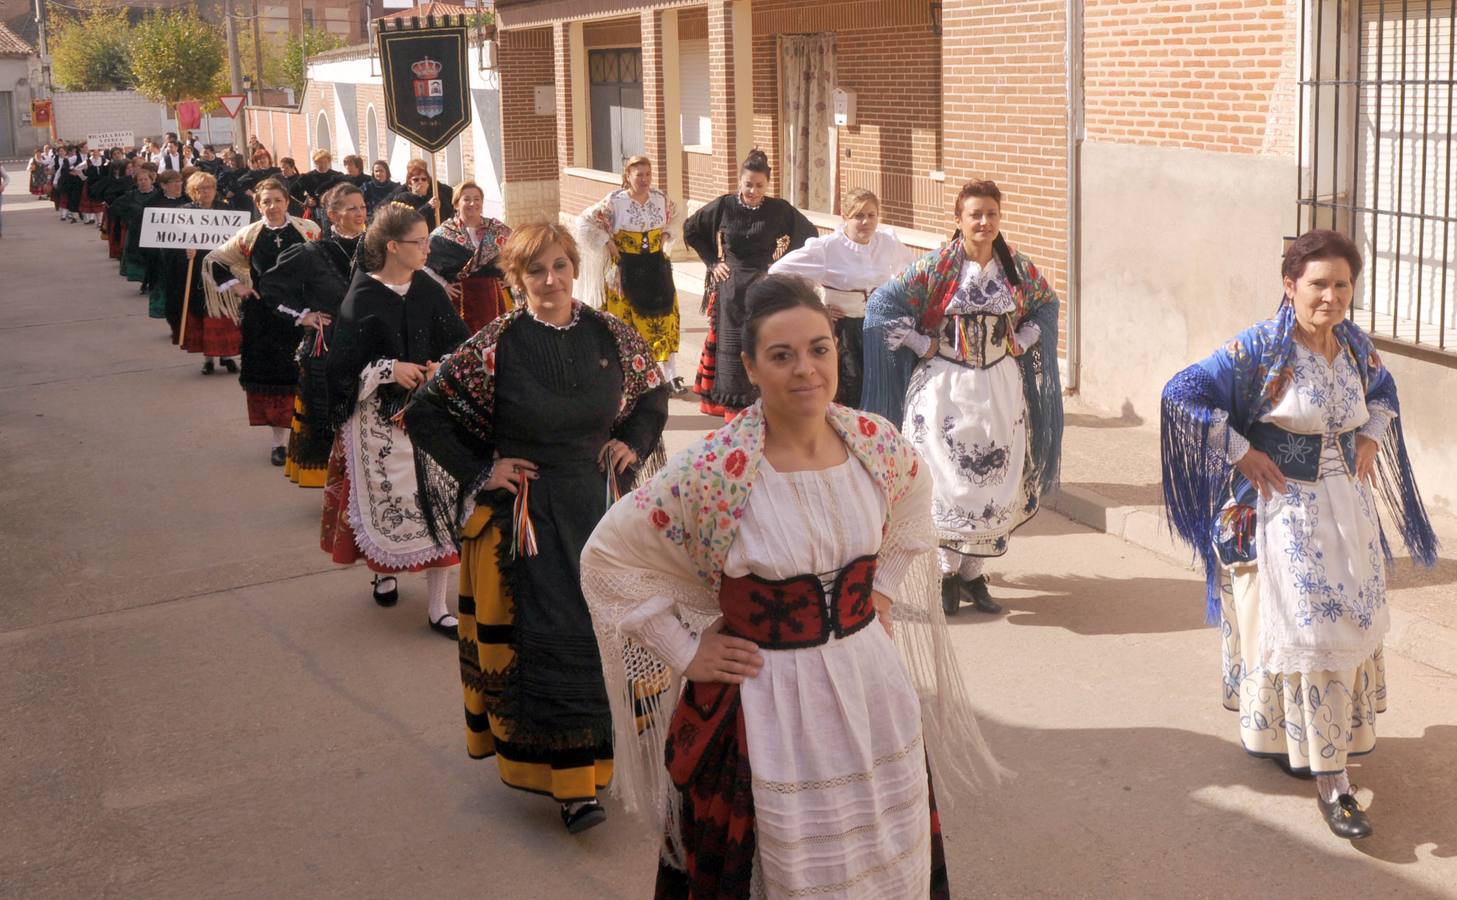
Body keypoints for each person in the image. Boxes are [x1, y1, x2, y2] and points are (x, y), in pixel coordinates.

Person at [580, 275, 1002, 895]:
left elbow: (915, 500)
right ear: (749, 366)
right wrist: (686, 652)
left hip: (871, 691)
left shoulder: (873, 442)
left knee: (883, 853)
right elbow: (607, 559)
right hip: (768, 704)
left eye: (819, 348)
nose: (806, 369)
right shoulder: (714, 469)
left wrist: (880, 590)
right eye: (782, 355)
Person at [1161, 229, 1437, 841]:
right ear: (1290, 285)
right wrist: (1238, 452)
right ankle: (1334, 784)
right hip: (1283, 515)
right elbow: (1182, 395)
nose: (1331, 296)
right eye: (1317, 284)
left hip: (1349, 514)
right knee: (1310, 634)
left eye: (1342, 285)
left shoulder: (1358, 347)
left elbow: (1384, 393)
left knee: (1347, 628)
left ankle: (1310, 743)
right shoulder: (1260, 347)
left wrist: (1371, 434)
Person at [405, 222, 669, 834]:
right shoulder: (496, 343)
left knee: (618, 636)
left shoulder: (612, 334)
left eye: (560, 266)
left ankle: (616, 760)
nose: (550, 281)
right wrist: (483, 470)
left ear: (575, 268)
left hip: (604, 514)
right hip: (529, 523)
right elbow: (426, 412)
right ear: (514, 280)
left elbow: (654, 392)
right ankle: (574, 789)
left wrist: (632, 441)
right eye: (535, 271)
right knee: (558, 641)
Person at [863, 179, 1064, 617]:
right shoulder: (936, 268)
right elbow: (882, 305)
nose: (984, 222)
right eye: (975, 214)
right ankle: (946, 575)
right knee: (947, 479)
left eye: (991, 213)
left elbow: (1047, 303)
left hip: (1000, 388)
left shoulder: (1017, 270)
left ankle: (974, 575)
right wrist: (920, 343)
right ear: (958, 220)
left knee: (989, 481)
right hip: (945, 388)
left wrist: (1027, 335)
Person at [319, 204, 468, 635]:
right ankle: (383, 570)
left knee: (438, 504)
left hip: (428, 414)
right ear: (391, 247)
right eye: (418, 242)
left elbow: (458, 341)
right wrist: (388, 369)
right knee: (390, 503)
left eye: (427, 241)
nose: (427, 249)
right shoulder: (362, 296)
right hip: (378, 421)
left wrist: (441, 365)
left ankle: (438, 605)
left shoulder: (428, 290)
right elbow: (342, 370)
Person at [683, 148, 817, 417]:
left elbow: (809, 234)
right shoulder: (724, 205)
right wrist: (713, 262)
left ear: (767, 184)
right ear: (739, 182)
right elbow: (692, 229)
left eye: (759, 185)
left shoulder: (778, 209)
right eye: (748, 184)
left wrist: (781, 266)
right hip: (730, 286)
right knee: (732, 347)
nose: (753, 190)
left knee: (762, 342)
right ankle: (732, 409)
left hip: (763, 286)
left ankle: (764, 402)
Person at [204, 178, 322, 465]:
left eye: (277, 200)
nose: (272, 207)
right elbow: (214, 260)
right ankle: (278, 443)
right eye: (266, 202)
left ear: (287, 202)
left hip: (304, 314)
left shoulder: (308, 231)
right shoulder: (249, 235)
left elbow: (325, 266)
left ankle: (307, 439)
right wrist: (237, 286)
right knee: (275, 381)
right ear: (258, 205)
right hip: (264, 320)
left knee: (306, 379)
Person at [258, 183, 367, 488]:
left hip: (370, 346)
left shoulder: (377, 248)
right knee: (328, 417)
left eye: (362, 207)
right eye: (352, 208)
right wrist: (303, 315)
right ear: (332, 214)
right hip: (327, 347)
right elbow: (270, 286)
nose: (360, 214)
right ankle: (336, 485)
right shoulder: (311, 252)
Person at [769, 188, 915, 407]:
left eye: (871, 215)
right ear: (844, 216)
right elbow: (778, 272)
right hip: (845, 330)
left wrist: (897, 301)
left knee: (882, 390)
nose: (866, 221)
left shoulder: (887, 242)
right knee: (849, 389)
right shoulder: (827, 248)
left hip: (879, 327)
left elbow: (912, 273)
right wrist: (817, 305)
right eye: (858, 215)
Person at [576, 155, 687, 393]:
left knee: (665, 320)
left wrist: (667, 234)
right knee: (626, 323)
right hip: (626, 269)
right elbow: (585, 222)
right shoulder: (616, 201)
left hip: (656, 267)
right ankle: (630, 375)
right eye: (639, 175)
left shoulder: (660, 198)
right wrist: (607, 242)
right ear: (628, 176)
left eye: (648, 174)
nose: (645, 179)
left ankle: (671, 376)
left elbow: (677, 216)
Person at [161, 171, 241, 375]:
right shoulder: (184, 212)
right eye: (201, 188)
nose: (206, 192)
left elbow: (236, 240)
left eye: (210, 187)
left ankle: (227, 356)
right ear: (193, 192)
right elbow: (170, 243)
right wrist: (185, 251)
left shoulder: (226, 209)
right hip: (197, 272)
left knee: (224, 313)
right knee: (204, 314)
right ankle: (208, 359)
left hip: (222, 268)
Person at [424, 179, 512, 334]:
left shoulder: (496, 230)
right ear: (457, 204)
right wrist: (443, 284)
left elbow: (515, 256)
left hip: (492, 297)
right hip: (462, 299)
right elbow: (423, 263)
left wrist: (509, 277)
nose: (472, 203)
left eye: (477, 199)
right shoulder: (444, 233)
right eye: (466, 199)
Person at [143, 170, 192, 318]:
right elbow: (146, 232)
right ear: (163, 185)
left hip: (189, 254)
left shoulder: (190, 202)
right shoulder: (152, 204)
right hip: (164, 257)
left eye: (180, 181)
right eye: (174, 182)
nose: (178, 185)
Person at [114, 163, 161, 286]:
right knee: (138, 256)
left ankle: (152, 280)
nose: (143, 182)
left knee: (154, 257)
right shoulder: (131, 195)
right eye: (140, 180)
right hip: (136, 232)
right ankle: (143, 280)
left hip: (155, 233)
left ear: (152, 180)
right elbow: (116, 207)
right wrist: (128, 218)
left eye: (146, 179)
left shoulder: (159, 195)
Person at [386, 161, 453, 230]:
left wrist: (441, 209)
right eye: (416, 179)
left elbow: (450, 217)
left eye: (423, 179)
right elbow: (408, 222)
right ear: (409, 183)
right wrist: (428, 206)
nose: (420, 182)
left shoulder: (437, 197)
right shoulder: (402, 198)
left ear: (428, 183)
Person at [292, 149, 346, 216]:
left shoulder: (337, 176)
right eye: (319, 162)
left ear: (329, 162)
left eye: (325, 162)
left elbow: (345, 192)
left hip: (334, 210)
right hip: (315, 213)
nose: (322, 165)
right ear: (315, 162)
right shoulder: (307, 177)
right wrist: (306, 200)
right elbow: (293, 191)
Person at [54, 144, 86, 223]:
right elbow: (60, 170)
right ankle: (72, 215)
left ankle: (81, 213)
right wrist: (55, 181)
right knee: (72, 198)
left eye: (75, 151)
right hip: (72, 182)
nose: (74, 153)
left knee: (81, 198)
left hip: (82, 180)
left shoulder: (88, 156)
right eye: (73, 151)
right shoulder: (70, 159)